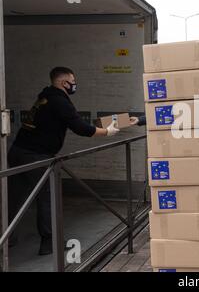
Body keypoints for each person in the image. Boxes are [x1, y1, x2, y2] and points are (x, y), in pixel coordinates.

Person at [8, 67, 120, 255]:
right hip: (36, 156)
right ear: (63, 83)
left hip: (19, 152)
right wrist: (106, 132)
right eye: (72, 81)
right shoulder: (59, 101)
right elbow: (80, 127)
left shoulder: (45, 97)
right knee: (48, 198)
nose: (74, 85)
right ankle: (50, 242)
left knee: (15, 197)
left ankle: (7, 238)